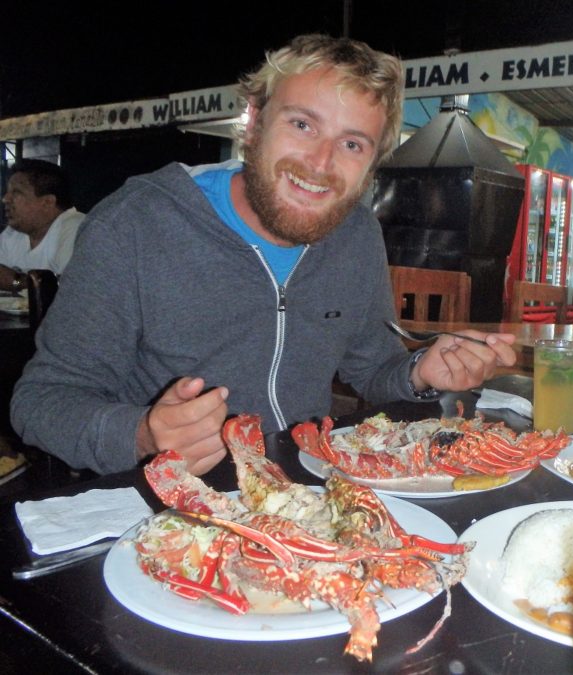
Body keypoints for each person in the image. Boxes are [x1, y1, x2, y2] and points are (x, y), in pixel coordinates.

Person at [11, 34, 517, 476]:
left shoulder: (357, 234)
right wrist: (142, 434)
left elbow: (373, 370)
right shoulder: (137, 223)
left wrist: (420, 373)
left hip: (310, 489)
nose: (320, 164)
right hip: (173, 501)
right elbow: (41, 401)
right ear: (253, 121)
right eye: (302, 125)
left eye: (352, 144)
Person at [0, 159, 84, 293]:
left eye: (16, 192)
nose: (5, 199)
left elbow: (71, 291)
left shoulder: (76, 228)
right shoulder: (13, 232)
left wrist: (17, 282)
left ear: (47, 202)